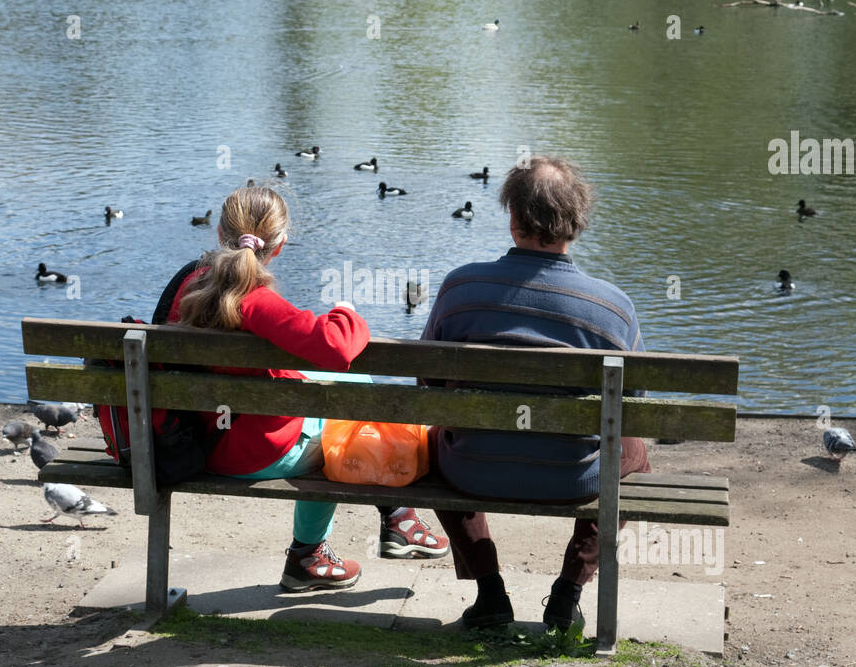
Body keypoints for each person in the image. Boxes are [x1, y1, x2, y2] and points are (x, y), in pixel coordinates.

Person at [157, 186, 449, 591]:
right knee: (342, 425)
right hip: (248, 454)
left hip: (184, 442)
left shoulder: (185, 284)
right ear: (279, 247)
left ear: (219, 232)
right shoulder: (254, 301)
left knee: (351, 387)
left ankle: (392, 518)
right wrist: (346, 312)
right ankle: (331, 545)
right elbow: (336, 347)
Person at [421, 157, 651, 630]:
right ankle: (568, 591)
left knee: (431, 441)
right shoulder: (613, 308)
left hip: (472, 469)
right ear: (577, 224)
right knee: (635, 454)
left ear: (512, 218)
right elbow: (636, 404)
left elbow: (427, 384)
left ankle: (490, 594)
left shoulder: (461, 287)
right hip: (574, 477)